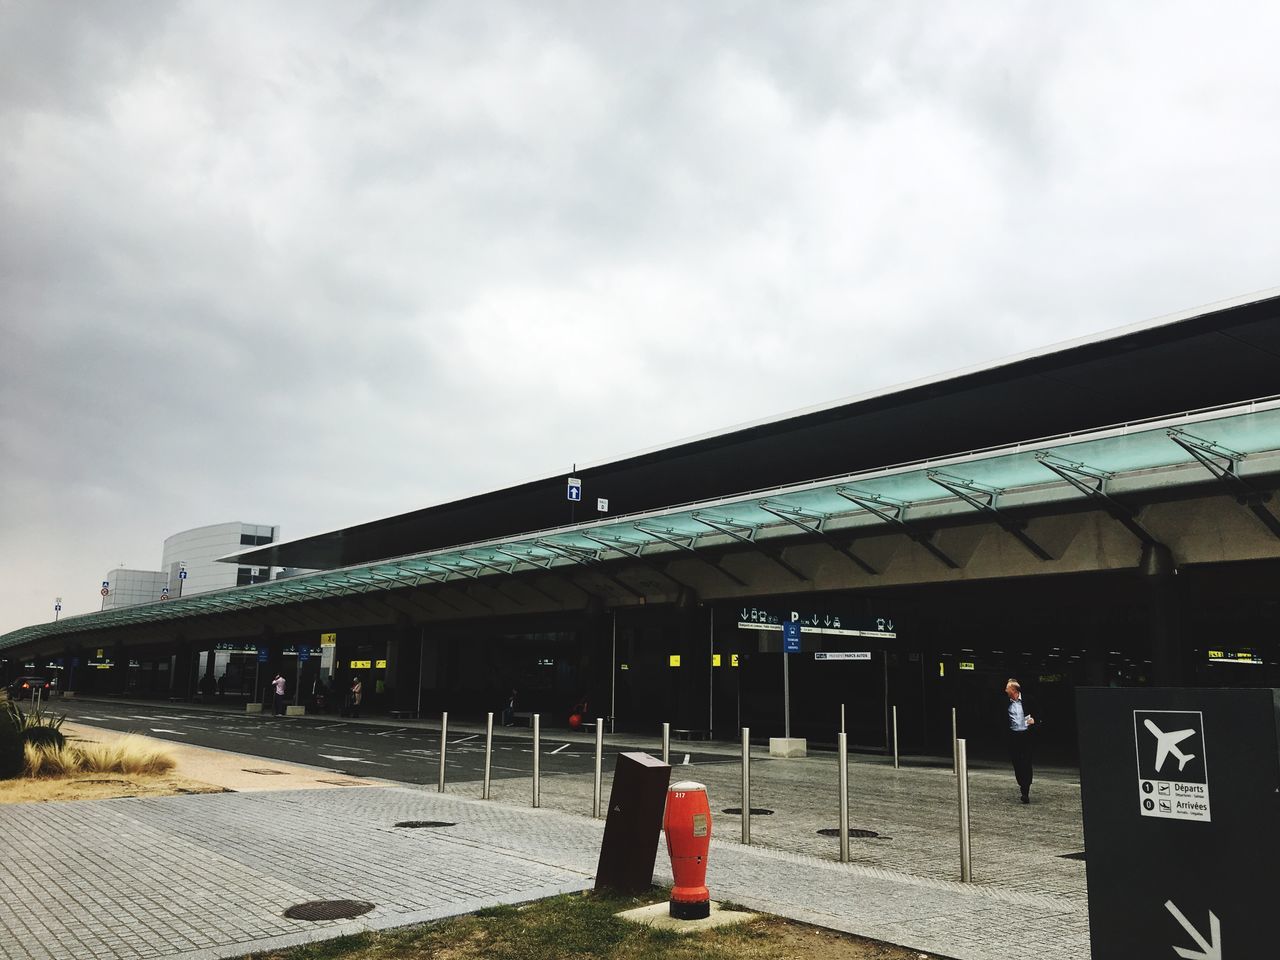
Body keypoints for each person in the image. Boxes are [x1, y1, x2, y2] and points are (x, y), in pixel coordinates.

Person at [1004, 678, 1036, 803]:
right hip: (1013, 736)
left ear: (1014, 690)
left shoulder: (1029, 700)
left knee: (1026, 762)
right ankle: (1022, 783)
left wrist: (1035, 720)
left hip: (1026, 735)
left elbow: (1039, 713)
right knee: (1017, 762)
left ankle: (1025, 789)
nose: (1005, 690)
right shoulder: (1005, 703)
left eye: (1007, 688)